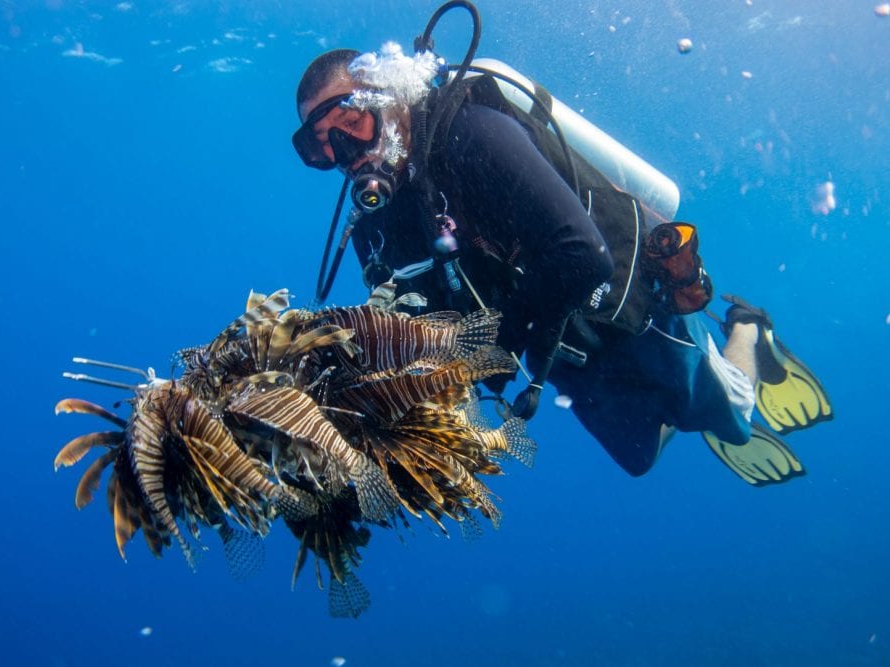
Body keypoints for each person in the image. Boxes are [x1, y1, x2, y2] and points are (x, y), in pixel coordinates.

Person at [291, 43, 832, 482]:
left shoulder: (472, 133)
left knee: (733, 418)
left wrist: (492, 347)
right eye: (322, 146)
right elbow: (406, 323)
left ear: (389, 100)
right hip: (560, 345)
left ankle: (748, 331)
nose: (345, 150)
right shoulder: (375, 228)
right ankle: (685, 401)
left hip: (629, 301)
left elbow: (584, 254)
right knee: (638, 458)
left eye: (350, 121)